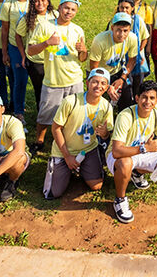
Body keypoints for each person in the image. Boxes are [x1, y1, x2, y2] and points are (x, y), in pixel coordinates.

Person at [107, 80, 157, 223]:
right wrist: (145, 148)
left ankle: (137, 173)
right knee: (125, 163)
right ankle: (120, 200)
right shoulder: (125, 116)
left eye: (152, 98)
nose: (147, 101)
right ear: (137, 98)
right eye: (144, 97)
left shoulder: (156, 115)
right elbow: (117, 151)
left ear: (156, 101)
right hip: (121, 155)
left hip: (142, 153)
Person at [28, 0, 88, 153]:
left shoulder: (78, 30)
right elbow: (30, 50)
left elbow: (82, 59)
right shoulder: (45, 26)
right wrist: (47, 43)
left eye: (73, 10)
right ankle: (40, 141)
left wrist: (84, 51)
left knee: (75, 114)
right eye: (66, 8)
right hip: (53, 81)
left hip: (74, 80)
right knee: (45, 115)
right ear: (59, 8)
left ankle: (70, 140)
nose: (69, 12)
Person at [42, 68, 114, 199]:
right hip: (64, 151)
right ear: (87, 83)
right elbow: (56, 128)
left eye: (103, 83)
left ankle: (80, 168)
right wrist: (67, 156)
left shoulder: (107, 106)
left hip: (88, 149)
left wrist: (104, 134)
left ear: (107, 87)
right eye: (95, 82)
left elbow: (106, 134)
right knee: (53, 193)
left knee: (96, 186)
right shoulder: (71, 101)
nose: (99, 86)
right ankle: (67, 167)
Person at [16, 0, 58, 113]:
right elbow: (18, 36)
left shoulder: (55, 15)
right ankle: (42, 116)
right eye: (36, 1)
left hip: (54, 59)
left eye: (43, 0)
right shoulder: (27, 18)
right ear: (32, 3)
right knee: (40, 90)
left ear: (48, 1)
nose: (40, 3)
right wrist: (23, 56)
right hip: (36, 61)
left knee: (55, 88)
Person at [90, 12, 139, 109]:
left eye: (125, 31)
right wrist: (106, 86)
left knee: (127, 97)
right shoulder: (100, 40)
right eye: (118, 30)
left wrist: (122, 78)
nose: (122, 34)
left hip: (117, 70)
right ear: (112, 28)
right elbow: (93, 67)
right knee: (96, 98)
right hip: (98, 71)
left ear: (130, 30)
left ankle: (122, 116)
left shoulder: (132, 38)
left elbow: (132, 61)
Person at [1, 0, 33, 122]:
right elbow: (5, 30)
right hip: (14, 46)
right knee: (20, 80)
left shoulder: (33, 3)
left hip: (32, 46)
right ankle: (19, 112)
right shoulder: (8, 5)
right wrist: (4, 52)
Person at [121, 0, 151, 100]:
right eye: (122, 8)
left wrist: (138, 51)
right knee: (126, 83)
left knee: (138, 83)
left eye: (127, 8)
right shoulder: (116, 20)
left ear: (132, 8)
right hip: (122, 57)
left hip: (138, 57)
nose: (124, 10)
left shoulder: (137, 20)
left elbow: (145, 37)